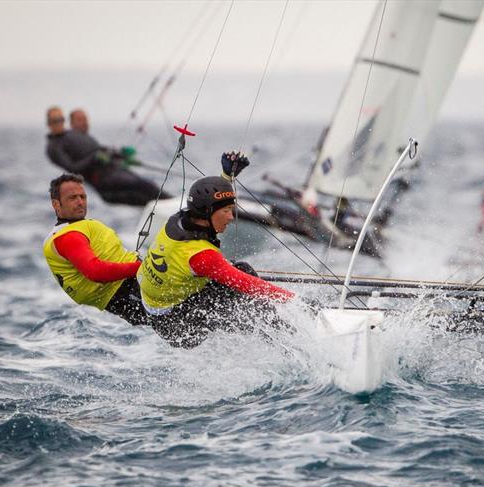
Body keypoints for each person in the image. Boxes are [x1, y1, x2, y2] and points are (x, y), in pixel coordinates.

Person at [138, 151, 295, 348]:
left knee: (239, 279)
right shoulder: (201, 256)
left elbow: (208, 201)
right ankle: (287, 338)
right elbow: (250, 285)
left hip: (160, 307)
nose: (231, 217)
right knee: (243, 275)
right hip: (176, 326)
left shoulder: (182, 219)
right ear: (207, 214)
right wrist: (296, 303)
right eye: (227, 211)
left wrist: (226, 177)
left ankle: (275, 328)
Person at [43, 173, 149, 325]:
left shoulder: (76, 227)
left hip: (133, 287)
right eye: (72, 198)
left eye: (83, 197)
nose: (80, 202)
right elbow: (95, 271)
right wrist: (143, 268)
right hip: (127, 291)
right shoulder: (68, 236)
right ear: (56, 204)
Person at [45, 106, 168, 206]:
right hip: (104, 184)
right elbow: (73, 169)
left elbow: (99, 150)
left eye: (61, 119)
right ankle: (174, 207)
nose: (59, 123)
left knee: (149, 188)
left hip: (114, 172)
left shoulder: (73, 135)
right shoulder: (54, 147)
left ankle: (175, 206)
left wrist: (120, 154)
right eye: (55, 121)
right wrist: (94, 157)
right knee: (145, 189)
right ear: (49, 124)